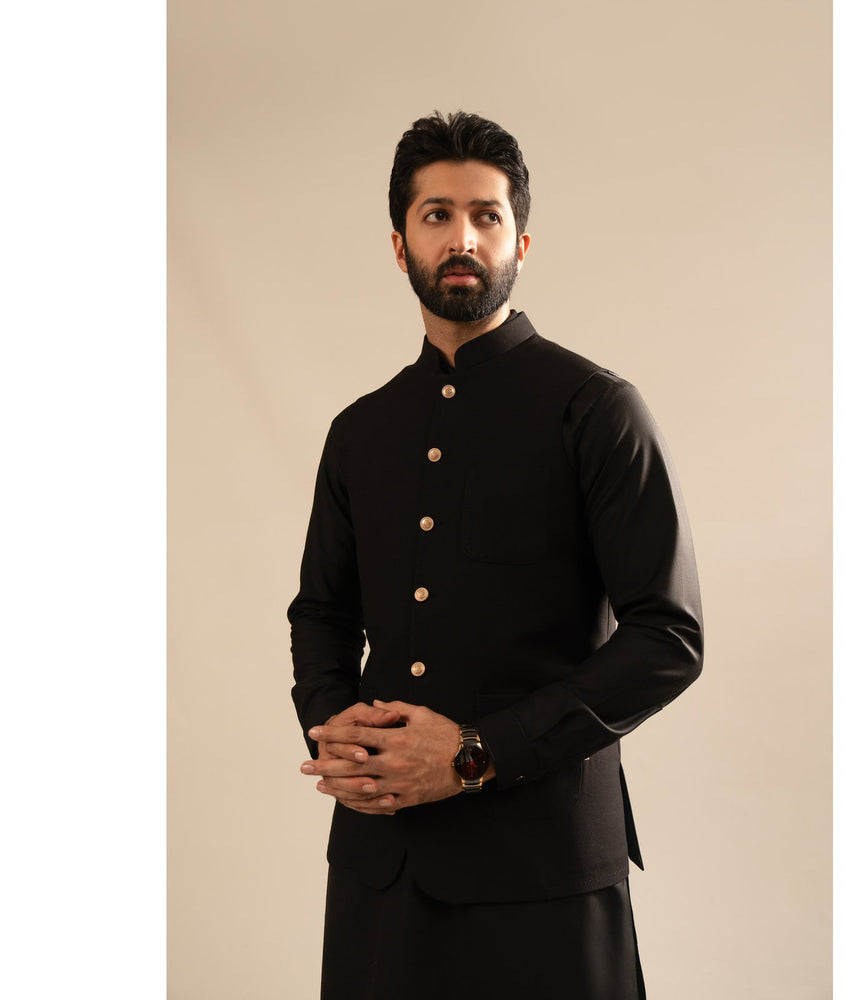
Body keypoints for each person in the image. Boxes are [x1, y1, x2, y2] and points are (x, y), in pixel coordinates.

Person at [288, 110, 703, 1000]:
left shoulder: (597, 410)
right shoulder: (359, 431)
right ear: (399, 245)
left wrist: (475, 752)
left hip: (546, 870)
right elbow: (322, 611)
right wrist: (334, 727)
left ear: (522, 241)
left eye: (486, 215)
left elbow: (668, 637)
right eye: (436, 215)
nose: (463, 237)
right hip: (384, 865)